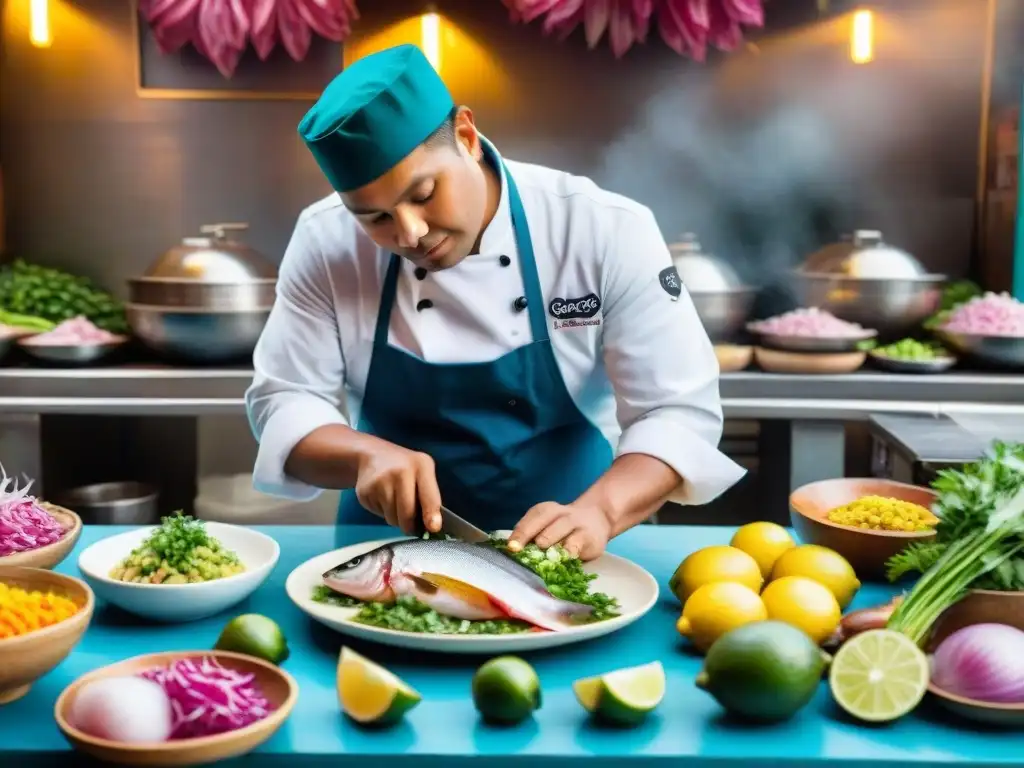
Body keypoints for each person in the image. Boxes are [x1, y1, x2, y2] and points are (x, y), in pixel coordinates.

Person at [244, 43, 746, 561]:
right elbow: (285, 401)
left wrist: (601, 511)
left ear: (466, 136)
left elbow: (675, 411)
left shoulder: (601, 228)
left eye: (423, 194)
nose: (410, 232)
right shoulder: (326, 239)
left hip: (580, 551)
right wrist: (362, 456)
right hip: (386, 556)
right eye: (376, 219)